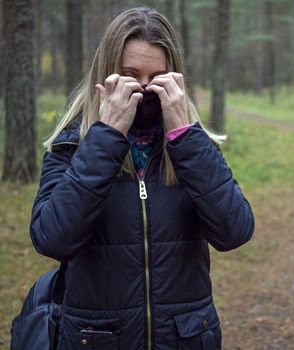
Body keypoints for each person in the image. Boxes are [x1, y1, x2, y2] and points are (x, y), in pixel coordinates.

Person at [30, 6, 254, 350]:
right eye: (130, 76)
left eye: (158, 78)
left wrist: (185, 136)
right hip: (98, 339)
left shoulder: (191, 145)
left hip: (185, 338)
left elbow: (234, 231)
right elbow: (52, 239)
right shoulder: (71, 144)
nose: (145, 89)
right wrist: (105, 137)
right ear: (106, 75)